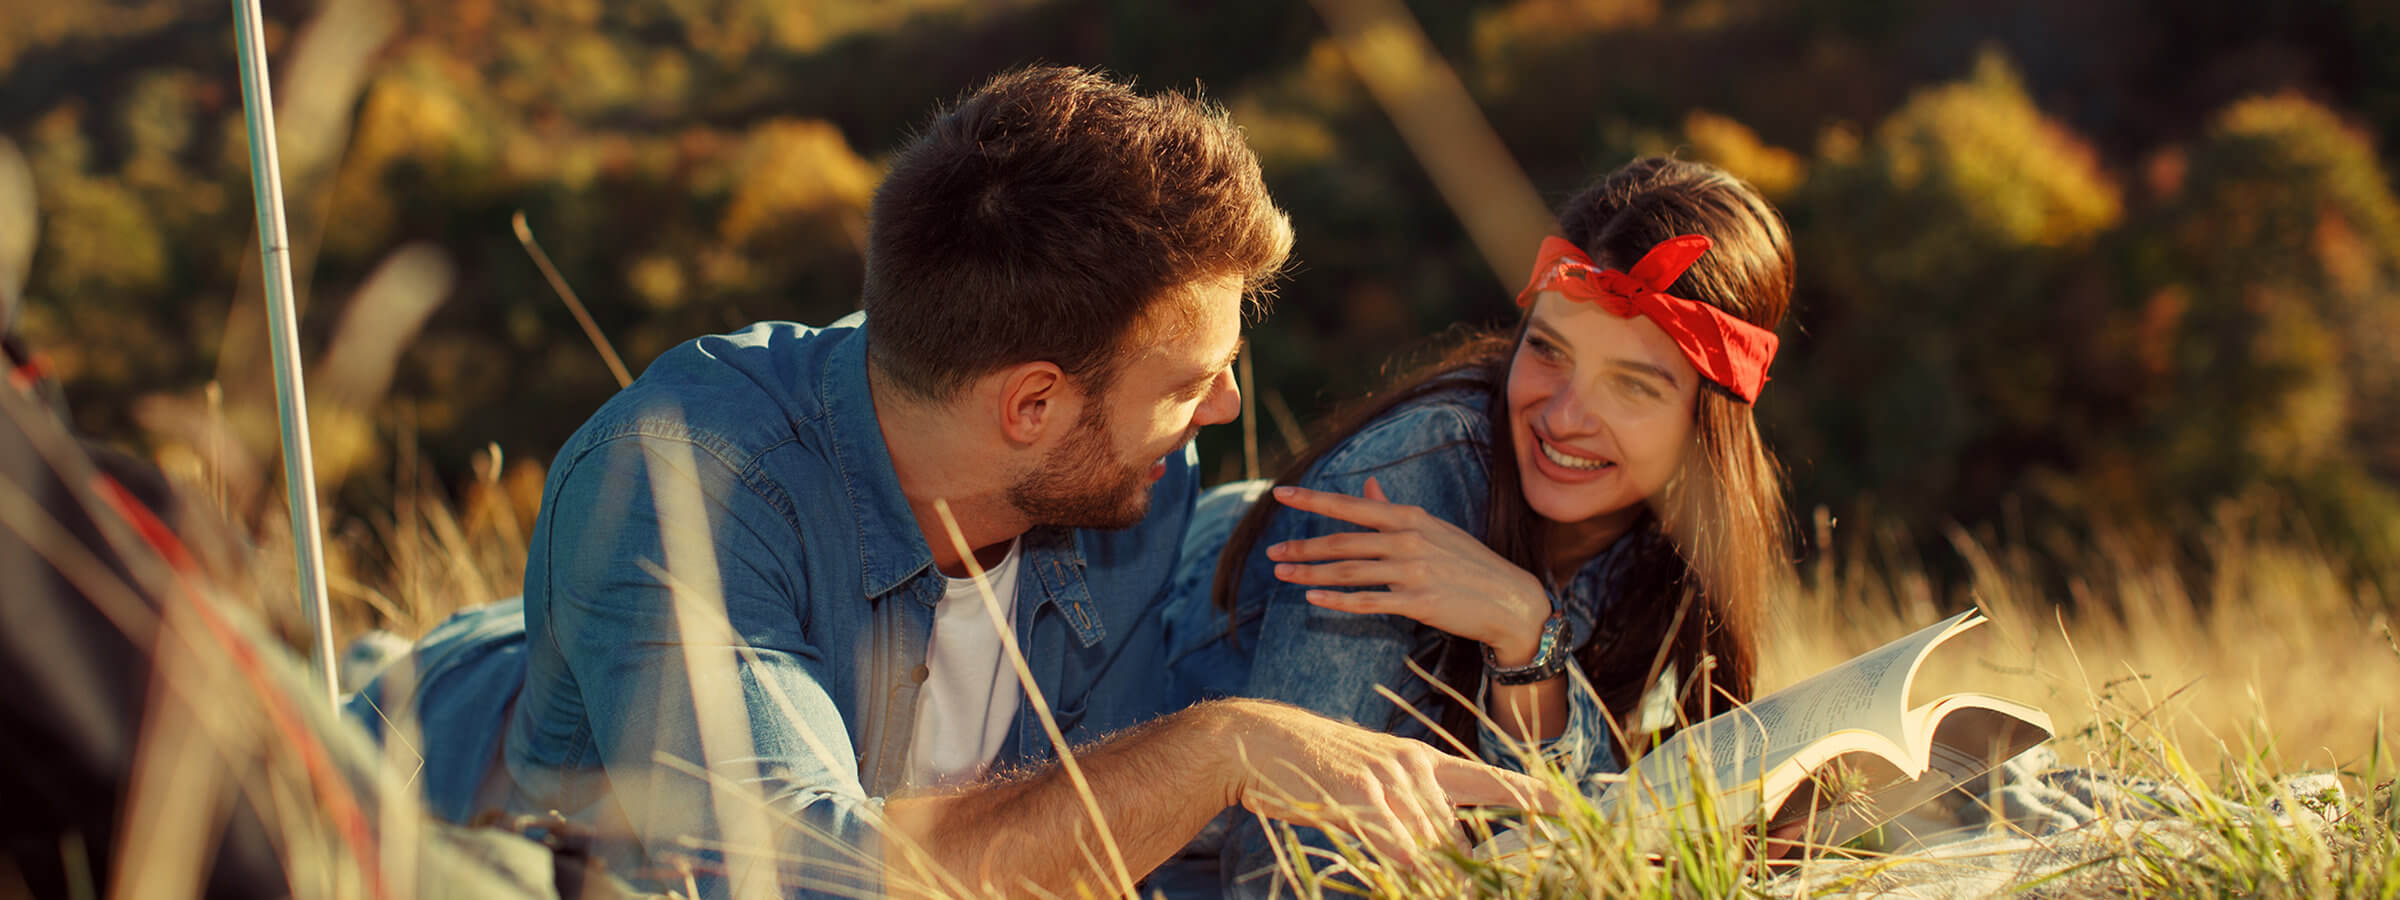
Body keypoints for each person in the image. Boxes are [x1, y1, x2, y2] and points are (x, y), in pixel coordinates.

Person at [351, 66, 1553, 900]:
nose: (1226, 410)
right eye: (1194, 382)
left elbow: (1083, 835)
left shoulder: (1133, 480)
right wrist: (1219, 749)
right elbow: (812, 882)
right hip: (436, 809)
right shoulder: (682, 483)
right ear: (1029, 405)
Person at [1166, 156, 1797, 895]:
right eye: (1547, 350)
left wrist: (1531, 636)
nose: (1563, 417)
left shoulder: (1670, 540)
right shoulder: (1405, 482)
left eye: (1631, 385)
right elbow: (1288, 863)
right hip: (1114, 760)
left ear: (1708, 420)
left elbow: (1572, 824)